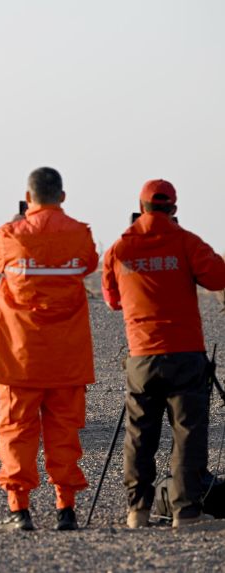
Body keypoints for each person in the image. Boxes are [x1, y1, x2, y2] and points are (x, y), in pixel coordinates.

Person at [0, 167, 98, 532]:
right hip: (66, 359)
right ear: (62, 197)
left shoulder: (12, 235)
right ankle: (66, 509)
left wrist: (9, 225)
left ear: (28, 199)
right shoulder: (80, 235)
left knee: (16, 433)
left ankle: (20, 511)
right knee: (65, 434)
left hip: (18, 358)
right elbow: (90, 263)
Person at [101, 179, 225, 529]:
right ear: (172, 208)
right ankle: (186, 512)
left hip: (142, 356)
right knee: (188, 434)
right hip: (185, 354)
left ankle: (137, 511)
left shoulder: (119, 248)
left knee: (139, 435)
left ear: (141, 207)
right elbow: (217, 277)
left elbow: (112, 301)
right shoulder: (186, 242)